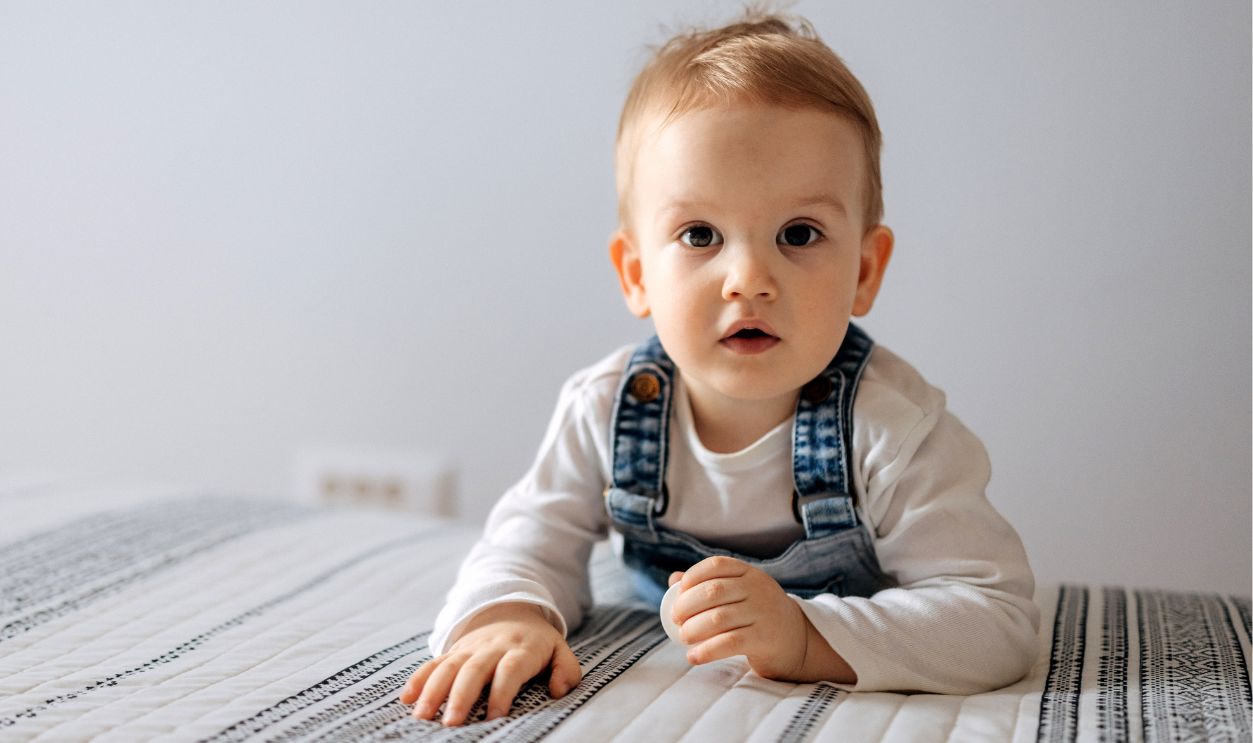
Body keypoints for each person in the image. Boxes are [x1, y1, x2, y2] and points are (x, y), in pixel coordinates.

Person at [400, 10, 1039, 727]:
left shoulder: (891, 427)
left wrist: (801, 635)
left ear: (864, 269)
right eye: (699, 234)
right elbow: (526, 541)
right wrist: (506, 615)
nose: (748, 278)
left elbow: (994, 619)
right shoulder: (608, 407)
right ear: (636, 272)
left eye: (798, 234)